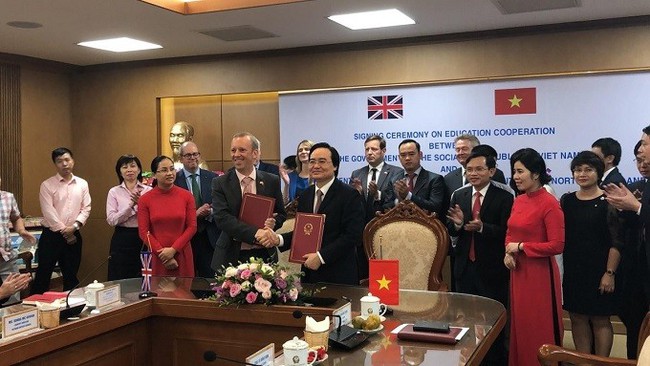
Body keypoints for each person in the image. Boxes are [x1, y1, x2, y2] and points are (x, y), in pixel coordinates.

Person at [446, 150, 512, 365]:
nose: (473, 174)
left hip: (492, 269)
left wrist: (483, 228)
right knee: (466, 321)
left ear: (491, 171)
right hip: (465, 268)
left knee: (493, 323)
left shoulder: (504, 196)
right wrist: (456, 225)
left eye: (479, 169)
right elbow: (453, 231)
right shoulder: (459, 194)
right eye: (469, 170)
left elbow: (507, 232)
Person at [504, 147, 564, 366]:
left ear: (536, 173)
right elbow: (510, 231)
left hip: (540, 275)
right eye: (514, 171)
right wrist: (507, 253)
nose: (515, 177)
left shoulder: (549, 203)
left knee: (538, 327)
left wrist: (521, 247)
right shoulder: (519, 200)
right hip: (518, 272)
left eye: (520, 171)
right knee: (521, 326)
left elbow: (557, 245)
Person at [561, 151, 623, 357]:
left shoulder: (609, 202)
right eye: (578, 170)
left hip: (600, 270)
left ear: (598, 172)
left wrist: (610, 273)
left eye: (588, 169)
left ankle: (600, 362)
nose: (582, 174)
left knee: (600, 319)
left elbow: (616, 242)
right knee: (577, 317)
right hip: (574, 270)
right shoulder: (567, 201)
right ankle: (583, 361)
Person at [280, 142, 364, 285]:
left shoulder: (350, 195)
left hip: (339, 275)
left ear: (335, 166)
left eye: (322, 161)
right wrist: (278, 239)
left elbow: (352, 236)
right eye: (312, 161)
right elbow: (303, 232)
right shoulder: (306, 195)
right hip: (308, 274)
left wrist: (321, 257)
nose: (316, 166)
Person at [211, 132, 286, 271]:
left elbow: (281, 214)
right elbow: (222, 219)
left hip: (264, 254)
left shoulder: (271, 180)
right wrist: (256, 233)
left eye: (242, 150)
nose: (236, 154)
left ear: (255, 154)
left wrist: (274, 223)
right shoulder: (220, 183)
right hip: (230, 256)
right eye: (233, 150)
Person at [32, 147, 91, 294]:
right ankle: (37, 310)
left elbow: (86, 208)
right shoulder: (47, 185)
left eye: (67, 160)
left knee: (71, 276)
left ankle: (71, 310)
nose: (64, 164)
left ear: (73, 161)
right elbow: (48, 211)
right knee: (43, 275)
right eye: (59, 161)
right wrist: (66, 232)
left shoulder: (82, 184)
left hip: (74, 233)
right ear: (55, 164)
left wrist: (75, 227)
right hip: (52, 236)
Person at [350, 135, 402, 279]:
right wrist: (358, 194)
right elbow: (352, 205)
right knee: (363, 274)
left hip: (384, 229)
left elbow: (396, 201)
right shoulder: (357, 173)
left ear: (383, 151)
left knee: (383, 277)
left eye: (374, 149)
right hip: (361, 231)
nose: (369, 152)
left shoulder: (396, 172)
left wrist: (377, 194)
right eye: (367, 149)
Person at [615, 140, 649, 359]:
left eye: (645, 155)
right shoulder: (636, 187)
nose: (642, 162)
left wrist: (636, 207)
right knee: (635, 324)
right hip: (635, 268)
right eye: (638, 159)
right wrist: (623, 209)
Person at [138, 155, 196, 276]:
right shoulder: (145, 199)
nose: (170, 173)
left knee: (184, 293)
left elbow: (192, 227)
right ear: (154, 174)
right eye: (164, 170)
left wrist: (173, 250)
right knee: (159, 293)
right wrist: (163, 255)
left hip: (182, 253)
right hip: (157, 256)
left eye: (172, 169)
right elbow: (143, 232)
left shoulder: (186, 196)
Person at [174, 142, 220, 278]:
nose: (192, 158)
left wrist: (210, 212)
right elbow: (173, 211)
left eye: (195, 154)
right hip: (185, 238)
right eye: (188, 155)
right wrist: (194, 214)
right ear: (181, 158)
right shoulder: (175, 180)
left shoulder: (213, 178)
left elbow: (221, 205)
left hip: (209, 235)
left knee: (210, 279)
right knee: (188, 279)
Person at [106, 154, 151, 280]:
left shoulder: (149, 190)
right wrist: (131, 207)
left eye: (133, 166)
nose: (129, 170)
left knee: (144, 275)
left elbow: (153, 216)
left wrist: (141, 205)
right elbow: (112, 220)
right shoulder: (114, 192)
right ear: (119, 171)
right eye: (125, 167)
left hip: (144, 237)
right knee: (120, 275)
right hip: (122, 237)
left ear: (139, 169)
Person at [0, 177, 36, 300]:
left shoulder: (8, 197)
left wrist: (21, 230)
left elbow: (16, 217)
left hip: (7, 259)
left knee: (13, 300)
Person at [392, 139, 446, 218]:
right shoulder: (394, 179)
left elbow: (435, 207)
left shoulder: (435, 179)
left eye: (411, 154)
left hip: (426, 227)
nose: (407, 158)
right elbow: (387, 207)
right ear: (399, 158)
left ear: (420, 155)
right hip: (398, 226)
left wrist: (408, 195)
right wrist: (398, 201)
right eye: (403, 155)